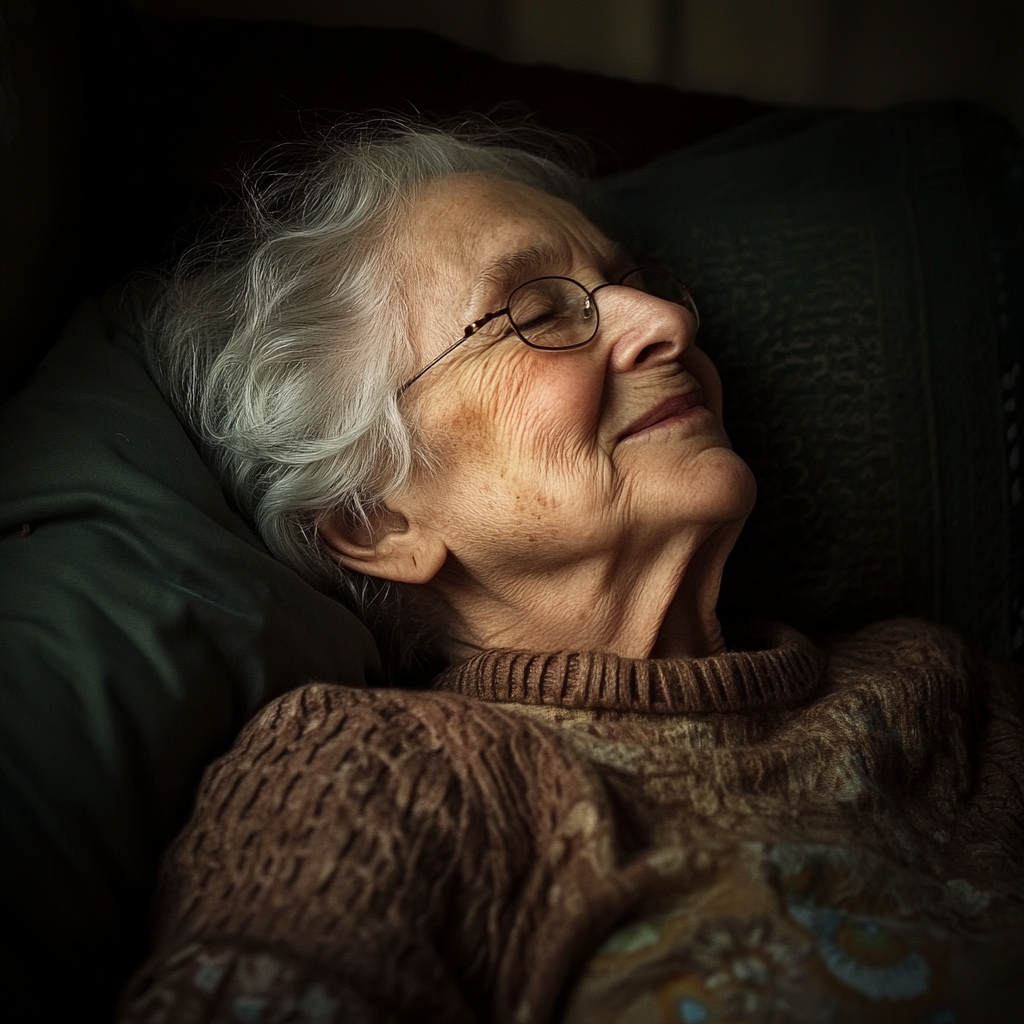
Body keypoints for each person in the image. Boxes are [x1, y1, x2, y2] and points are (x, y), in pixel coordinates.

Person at [119, 125, 1023, 1023]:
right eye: (542, 313)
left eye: (631, 285)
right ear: (376, 521)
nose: (669, 324)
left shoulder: (941, 690)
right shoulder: (373, 771)